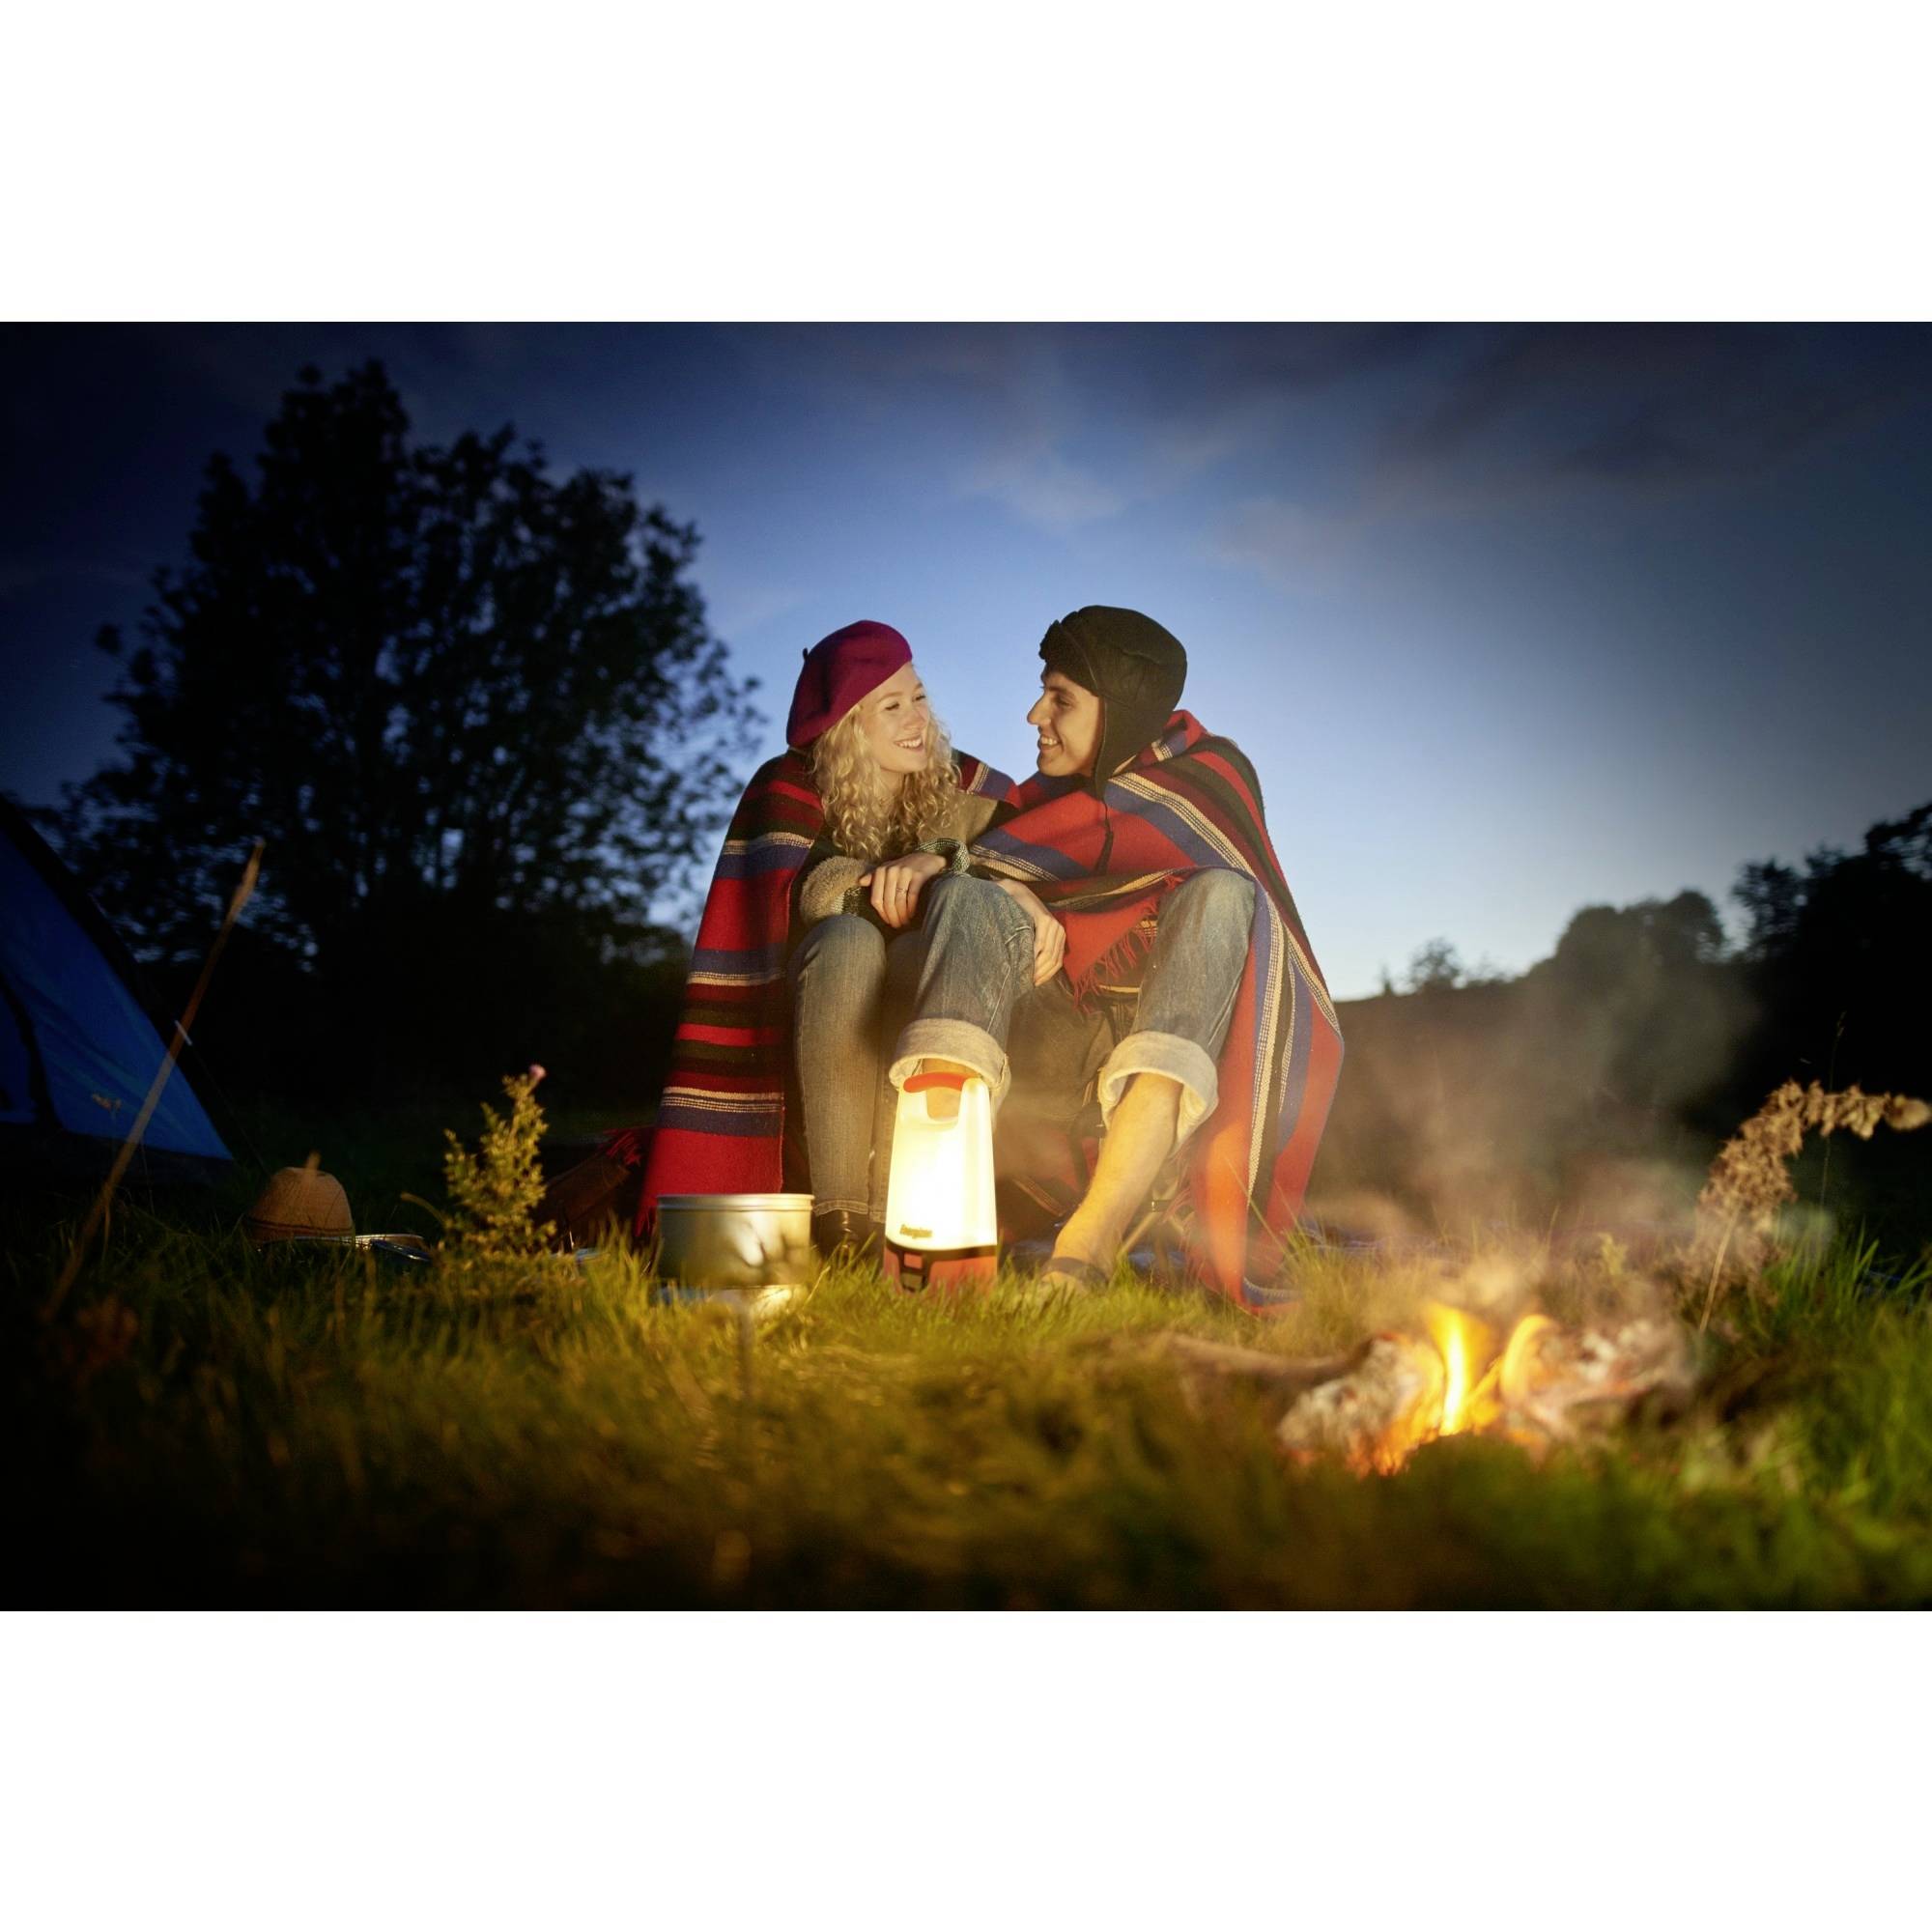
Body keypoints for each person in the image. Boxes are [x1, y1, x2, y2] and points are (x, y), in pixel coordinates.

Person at [886, 606, 1344, 1309]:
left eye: (1061, 697)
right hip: (1031, 1065)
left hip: (1174, 1076)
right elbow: (964, 875)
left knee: (1225, 894)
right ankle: (937, 1251)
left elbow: (1270, 947)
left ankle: (1089, 1244)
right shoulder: (1019, 806)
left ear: (1123, 713)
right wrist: (1004, 883)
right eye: (1043, 689)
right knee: (972, 899)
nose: (1034, 713)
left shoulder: (1210, 780)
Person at [634, 621, 1015, 1257]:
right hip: (809, 1016)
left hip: (931, 997)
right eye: (890, 707)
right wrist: (877, 882)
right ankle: (843, 1224)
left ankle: (911, 1213)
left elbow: (1026, 865)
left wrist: (936, 860)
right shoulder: (790, 788)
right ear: (846, 730)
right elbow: (805, 894)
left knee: (923, 953)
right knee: (848, 943)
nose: (916, 719)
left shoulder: (969, 788)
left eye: (918, 697)